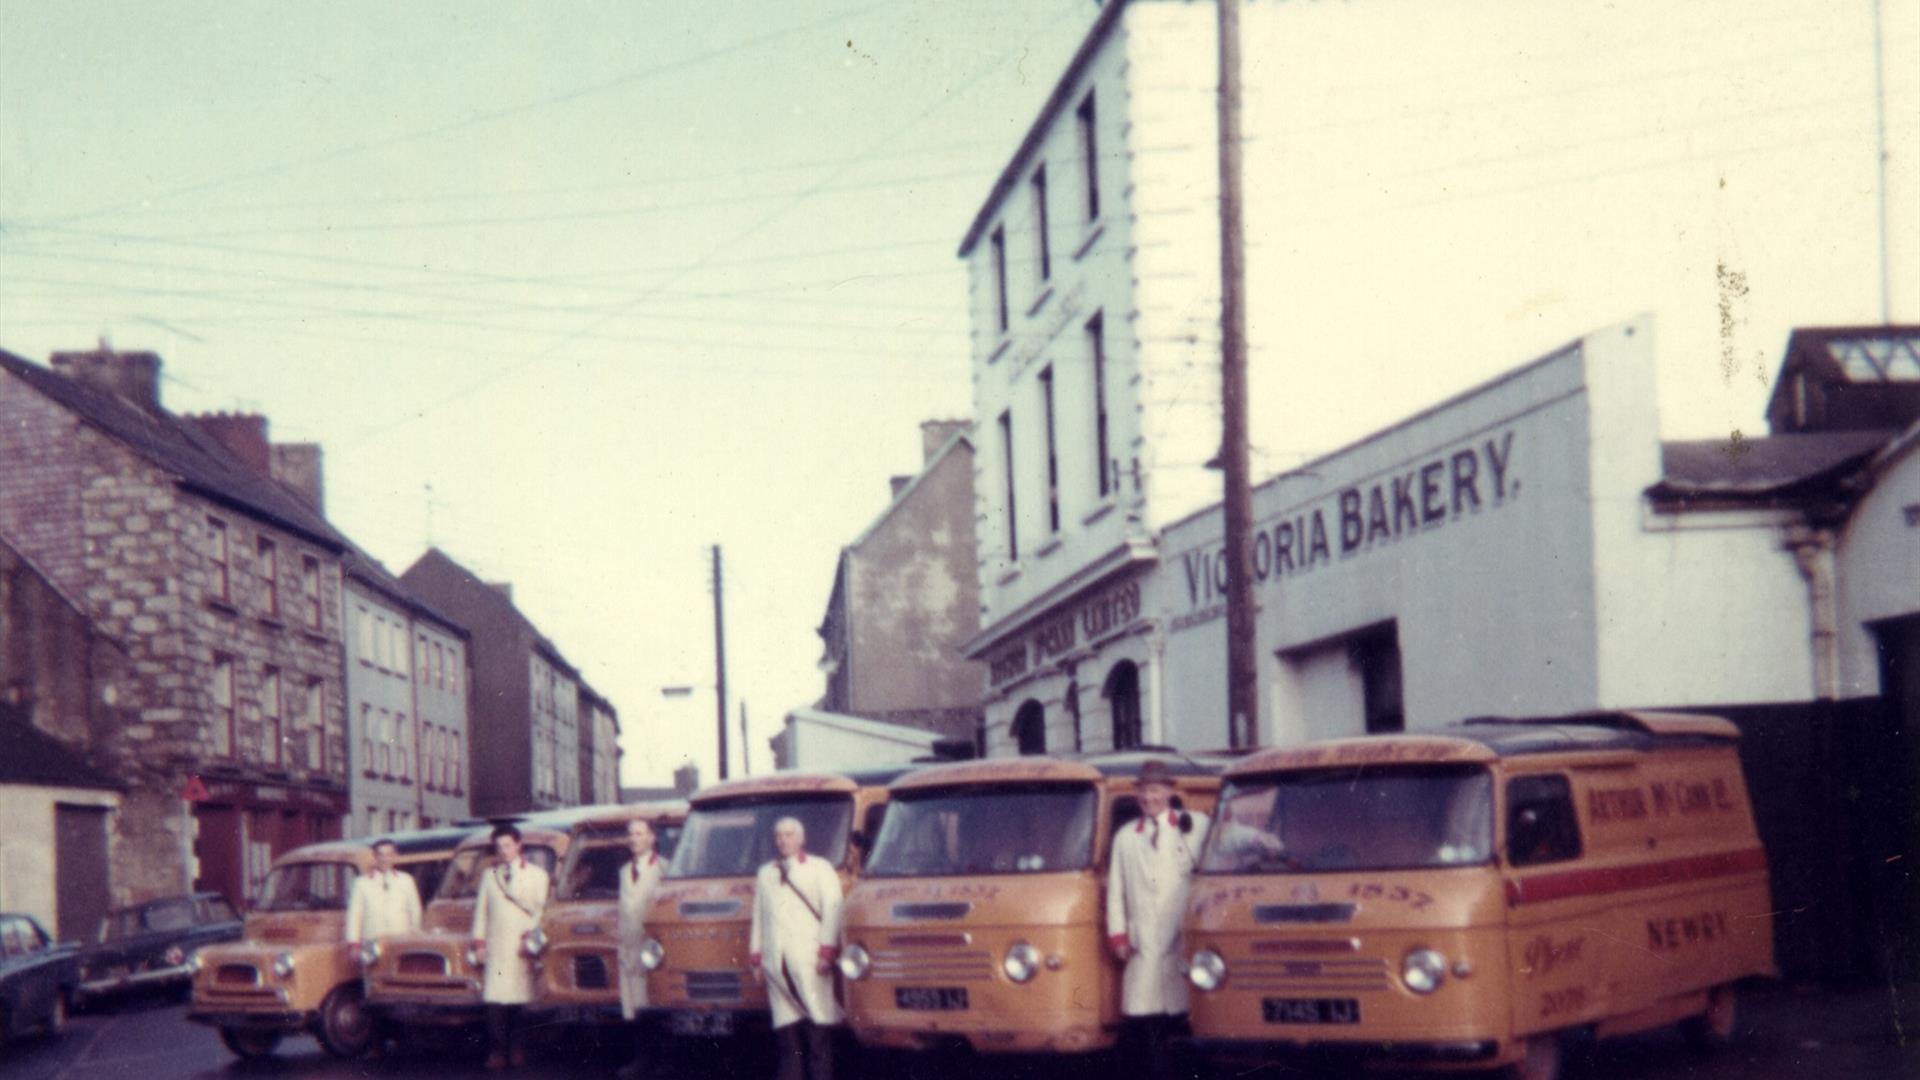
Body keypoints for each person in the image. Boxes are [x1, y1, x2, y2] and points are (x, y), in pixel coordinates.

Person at [1107, 760, 1212, 1080]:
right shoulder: (1126, 837)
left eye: (1155, 790)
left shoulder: (1194, 825)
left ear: (1169, 791)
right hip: (1144, 943)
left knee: (1185, 1017)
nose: (1148, 797)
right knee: (1145, 1020)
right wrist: (1118, 936)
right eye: (1143, 791)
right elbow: (1116, 891)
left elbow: (1230, 839)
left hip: (1182, 940)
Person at [747, 817, 842, 1080]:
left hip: (809, 962)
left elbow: (833, 909)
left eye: (789, 835)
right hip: (776, 965)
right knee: (787, 1038)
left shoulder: (820, 868)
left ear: (801, 839)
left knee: (817, 1030)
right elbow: (759, 917)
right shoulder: (766, 873)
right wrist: (756, 958)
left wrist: (826, 952)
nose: (783, 840)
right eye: (779, 835)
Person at [470, 823, 549, 1070]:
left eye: (507, 845)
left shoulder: (537, 875)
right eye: (499, 847)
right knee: (494, 1002)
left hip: (522, 948)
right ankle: (497, 1051)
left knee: (519, 1002)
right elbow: (481, 913)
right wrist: (479, 943)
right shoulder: (489, 876)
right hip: (496, 948)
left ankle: (516, 1049)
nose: (503, 851)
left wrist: (531, 939)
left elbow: (542, 912)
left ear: (518, 845)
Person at [345, 838, 423, 1059]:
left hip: (401, 947)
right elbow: (355, 915)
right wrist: (354, 944)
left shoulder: (406, 881)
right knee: (375, 993)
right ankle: (377, 1044)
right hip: (373, 948)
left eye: (389, 854)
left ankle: (405, 1042)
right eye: (381, 854)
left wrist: (415, 940)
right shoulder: (362, 883)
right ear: (375, 857)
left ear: (395, 856)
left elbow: (415, 911)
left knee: (402, 993)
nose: (385, 859)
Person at [615, 817, 665, 1080]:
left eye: (639, 833)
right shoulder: (624, 871)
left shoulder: (664, 868)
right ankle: (641, 1061)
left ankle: (657, 1062)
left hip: (652, 949)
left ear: (651, 837)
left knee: (653, 1004)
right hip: (628, 946)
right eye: (631, 834)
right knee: (634, 1006)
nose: (634, 838)